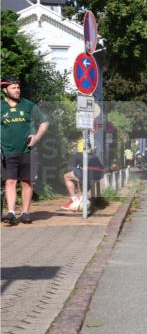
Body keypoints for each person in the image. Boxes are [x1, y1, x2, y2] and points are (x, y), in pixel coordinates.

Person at [1, 78, 49, 225]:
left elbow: (44, 122)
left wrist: (36, 138)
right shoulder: (1, 106)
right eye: (13, 88)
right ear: (5, 90)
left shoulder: (28, 105)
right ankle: (11, 212)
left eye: (18, 87)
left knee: (26, 182)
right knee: (10, 181)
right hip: (7, 151)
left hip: (27, 151)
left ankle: (25, 213)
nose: (17, 90)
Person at [58, 139, 104, 213]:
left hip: (87, 174)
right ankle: (83, 199)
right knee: (82, 177)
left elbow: (70, 168)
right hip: (97, 176)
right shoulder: (94, 156)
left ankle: (74, 199)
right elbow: (101, 168)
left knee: (67, 176)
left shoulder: (77, 155)